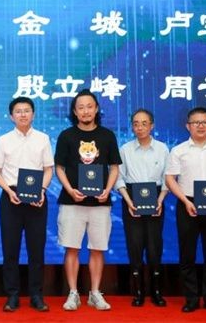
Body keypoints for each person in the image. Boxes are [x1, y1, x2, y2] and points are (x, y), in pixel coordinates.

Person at [55, 89, 120, 312]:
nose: (85, 111)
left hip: (100, 203)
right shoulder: (66, 136)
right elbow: (59, 168)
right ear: (74, 111)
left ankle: (95, 292)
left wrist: (108, 190)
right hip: (72, 202)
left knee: (97, 249)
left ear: (96, 109)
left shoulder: (107, 136)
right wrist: (70, 190)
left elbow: (114, 167)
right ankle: (73, 292)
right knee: (71, 248)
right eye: (81, 107)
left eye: (89, 106)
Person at [0, 96, 54, 312]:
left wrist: (42, 190)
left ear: (33, 114)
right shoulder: (3, 140)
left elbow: (48, 169)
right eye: (18, 111)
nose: (23, 114)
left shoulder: (43, 139)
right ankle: (12, 295)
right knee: (10, 249)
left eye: (26, 110)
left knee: (36, 249)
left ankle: (37, 295)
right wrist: (9, 191)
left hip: (37, 198)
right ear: (11, 116)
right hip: (11, 197)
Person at [165, 106, 206, 314]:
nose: (200, 126)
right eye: (196, 122)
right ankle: (191, 298)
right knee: (187, 254)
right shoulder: (178, 150)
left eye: (204, 122)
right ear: (188, 126)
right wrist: (185, 201)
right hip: (188, 204)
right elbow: (170, 179)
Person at [116, 108, 169, 307]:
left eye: (144, 123)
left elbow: (167, 177)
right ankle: (138, 292)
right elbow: (119, 178)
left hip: (156, 198)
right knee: (135, 245)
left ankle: (156, 291)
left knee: (155, 247)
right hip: (131, 198)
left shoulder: (162, 149)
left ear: (152, 125)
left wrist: (160, 200)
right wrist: (128, 201)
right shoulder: (125, 149)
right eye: (136, 124)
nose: (140, 127)